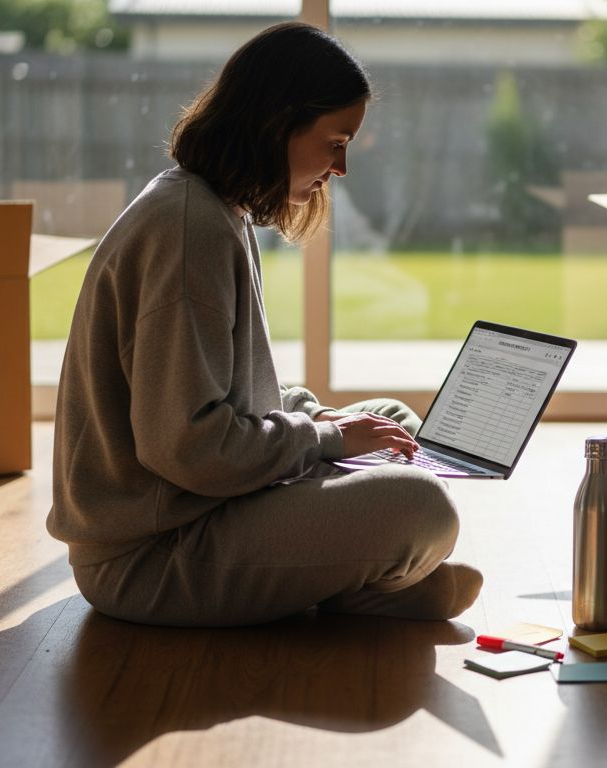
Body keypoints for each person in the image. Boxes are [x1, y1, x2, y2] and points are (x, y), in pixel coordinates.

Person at [46, 22, 482, 627]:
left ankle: (366, 576)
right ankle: (373, 578)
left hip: (201, 508)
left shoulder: (211, 208)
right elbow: (188, 448)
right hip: (150, 556)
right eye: (335, 143)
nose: (343, 167)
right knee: (424, 507)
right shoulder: (188, 230)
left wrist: (320, 417)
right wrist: (324, 439)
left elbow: (227, 393)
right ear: (278, 124)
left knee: (392, 421)